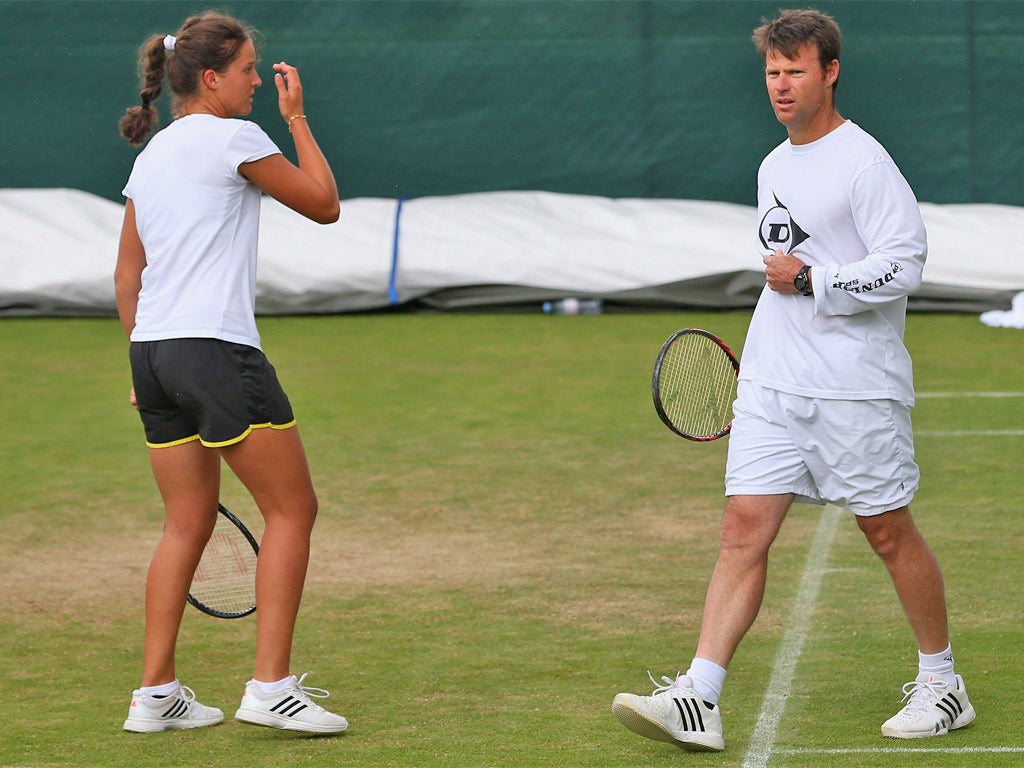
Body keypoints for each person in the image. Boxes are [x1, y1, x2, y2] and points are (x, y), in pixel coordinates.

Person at [612, 8, 975, 752]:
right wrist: (794, 305)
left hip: (855, 387)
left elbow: (905, 262)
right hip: (773, 383)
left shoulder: (864, 162)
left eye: (796, 71)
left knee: (885, 530)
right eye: (772, 73)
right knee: (741, 529)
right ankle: (699, 697)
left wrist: (815, 280)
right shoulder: (773, 165)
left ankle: (943, 684)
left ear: (831, 71)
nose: (781, 85)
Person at [114, 12, 347, 734]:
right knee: (293, 510)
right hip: (215, 353)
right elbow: (324, 205)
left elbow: (128, 272)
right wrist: (298, 119)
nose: (256, 80)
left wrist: (140, 357)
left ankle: (156, 696)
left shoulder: (151, 155)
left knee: (184, 522)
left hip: (153, 354)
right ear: (210, 78)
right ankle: (270, 687)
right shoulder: (237, 135)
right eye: (248, 70)